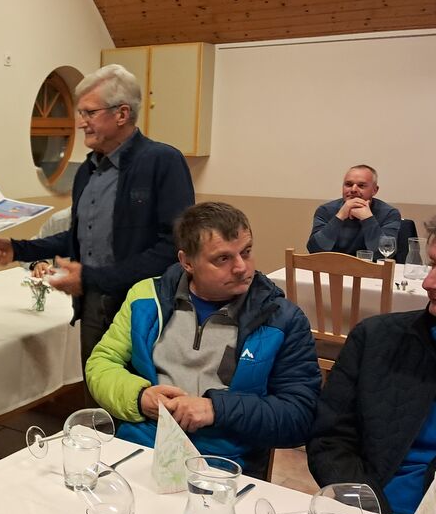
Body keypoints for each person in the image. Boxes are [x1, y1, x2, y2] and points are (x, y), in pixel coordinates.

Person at [0, 63, 194, 373]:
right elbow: (78, 238)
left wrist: (91, 278)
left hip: (145, 311)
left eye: (89, 113)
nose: (81, 123)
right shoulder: (86, 171)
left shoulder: (163, 162)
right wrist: (18, 249)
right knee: (95, 393)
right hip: (93, 308)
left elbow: (173, 249)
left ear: (122, 114)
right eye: (80, 113)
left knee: (141, 396)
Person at [86, 202, 321, 476]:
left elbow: (300, 415)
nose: (241, 267)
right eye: (222, 259)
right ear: (187, 262)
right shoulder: (146, 297)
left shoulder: (282, 319)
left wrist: (216, 409)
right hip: (142, 448)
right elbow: (101, 363)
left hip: (225, 463)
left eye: (246, 252)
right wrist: (139, 397)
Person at [307, 211, 436, 514]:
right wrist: (369, 509)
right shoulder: (375, 338)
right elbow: (330, 439)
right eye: (432, 264)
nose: (429, 282)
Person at [307, 164, 401, 258]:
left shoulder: (389, 214)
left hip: (370, 267)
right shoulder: (325, 210)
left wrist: (368, 219)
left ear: (374, 190)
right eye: (348, 184)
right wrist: (339, 217)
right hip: (333, 266)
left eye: (361, 185)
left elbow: (384, 255)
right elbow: (314, 250)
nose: (353, 189)